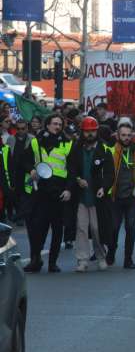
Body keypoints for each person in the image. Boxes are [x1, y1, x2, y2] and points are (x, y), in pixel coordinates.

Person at [23, 114, 75, 273]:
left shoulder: (68, 144)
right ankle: (35, 259)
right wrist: (31, 169)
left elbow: (72, 170)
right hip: (41, 190)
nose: (57, 127)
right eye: (54, 124)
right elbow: (23, 160)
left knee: (58, 228)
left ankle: (53, 262)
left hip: (59, 190)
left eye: (60, 124)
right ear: (47, 125)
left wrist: (68, 189)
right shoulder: (35, 142)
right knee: (38, 227)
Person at [67, 117, 114, 272]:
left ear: (97, 131)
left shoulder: (105, 149)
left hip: (97, 197)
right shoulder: (76, 148)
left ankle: (101, 256)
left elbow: (109, 173)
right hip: (81, 196)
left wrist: (104, 188)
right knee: (81, 228)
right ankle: (82, 260)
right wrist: (77, 180)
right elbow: (71, 169)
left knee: (96, 228)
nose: (90, 134)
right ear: (83, 132)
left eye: (92, 131)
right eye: (87, 131)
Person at [107, 123, 135, 269]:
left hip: (132, 196)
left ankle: (128, 259)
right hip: (115, 196)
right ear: (118, 135)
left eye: (128, 135)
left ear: (132, 135)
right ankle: (111, 252)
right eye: (123, 135)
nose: (126, 138)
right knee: (114, 227)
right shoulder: (112, 150)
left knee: (130, 227)